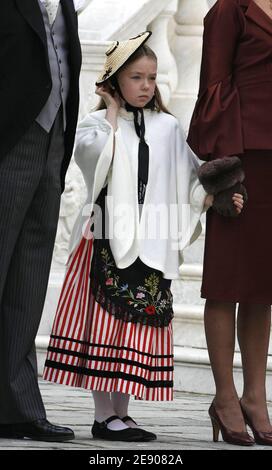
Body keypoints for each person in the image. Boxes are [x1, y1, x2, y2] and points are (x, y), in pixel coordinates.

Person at [43, 31, 242, 442]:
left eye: (151, 77)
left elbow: (187, 178)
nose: (147, 85)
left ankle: (122, 413)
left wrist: (211, 194)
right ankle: (103, 416)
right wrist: (112, 112)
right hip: (105, 240)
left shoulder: (168, 126)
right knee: (104, 327)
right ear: (115, 82)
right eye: (136, 77)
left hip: (153, 242)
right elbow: (96, 160)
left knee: (133, 327)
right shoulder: (97, 124)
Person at [187, 0, 272, 446]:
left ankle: (255, 398)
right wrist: (222, 177)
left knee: (263, 285)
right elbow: (213, 88)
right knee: (226, 281)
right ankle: (224, 398)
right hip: (242, 159)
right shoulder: (228, 10)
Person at [0, 0, 83, 442]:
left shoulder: (65, 3)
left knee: (28, 284)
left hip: (54, 143)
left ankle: (18, 409)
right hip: (8, 143)